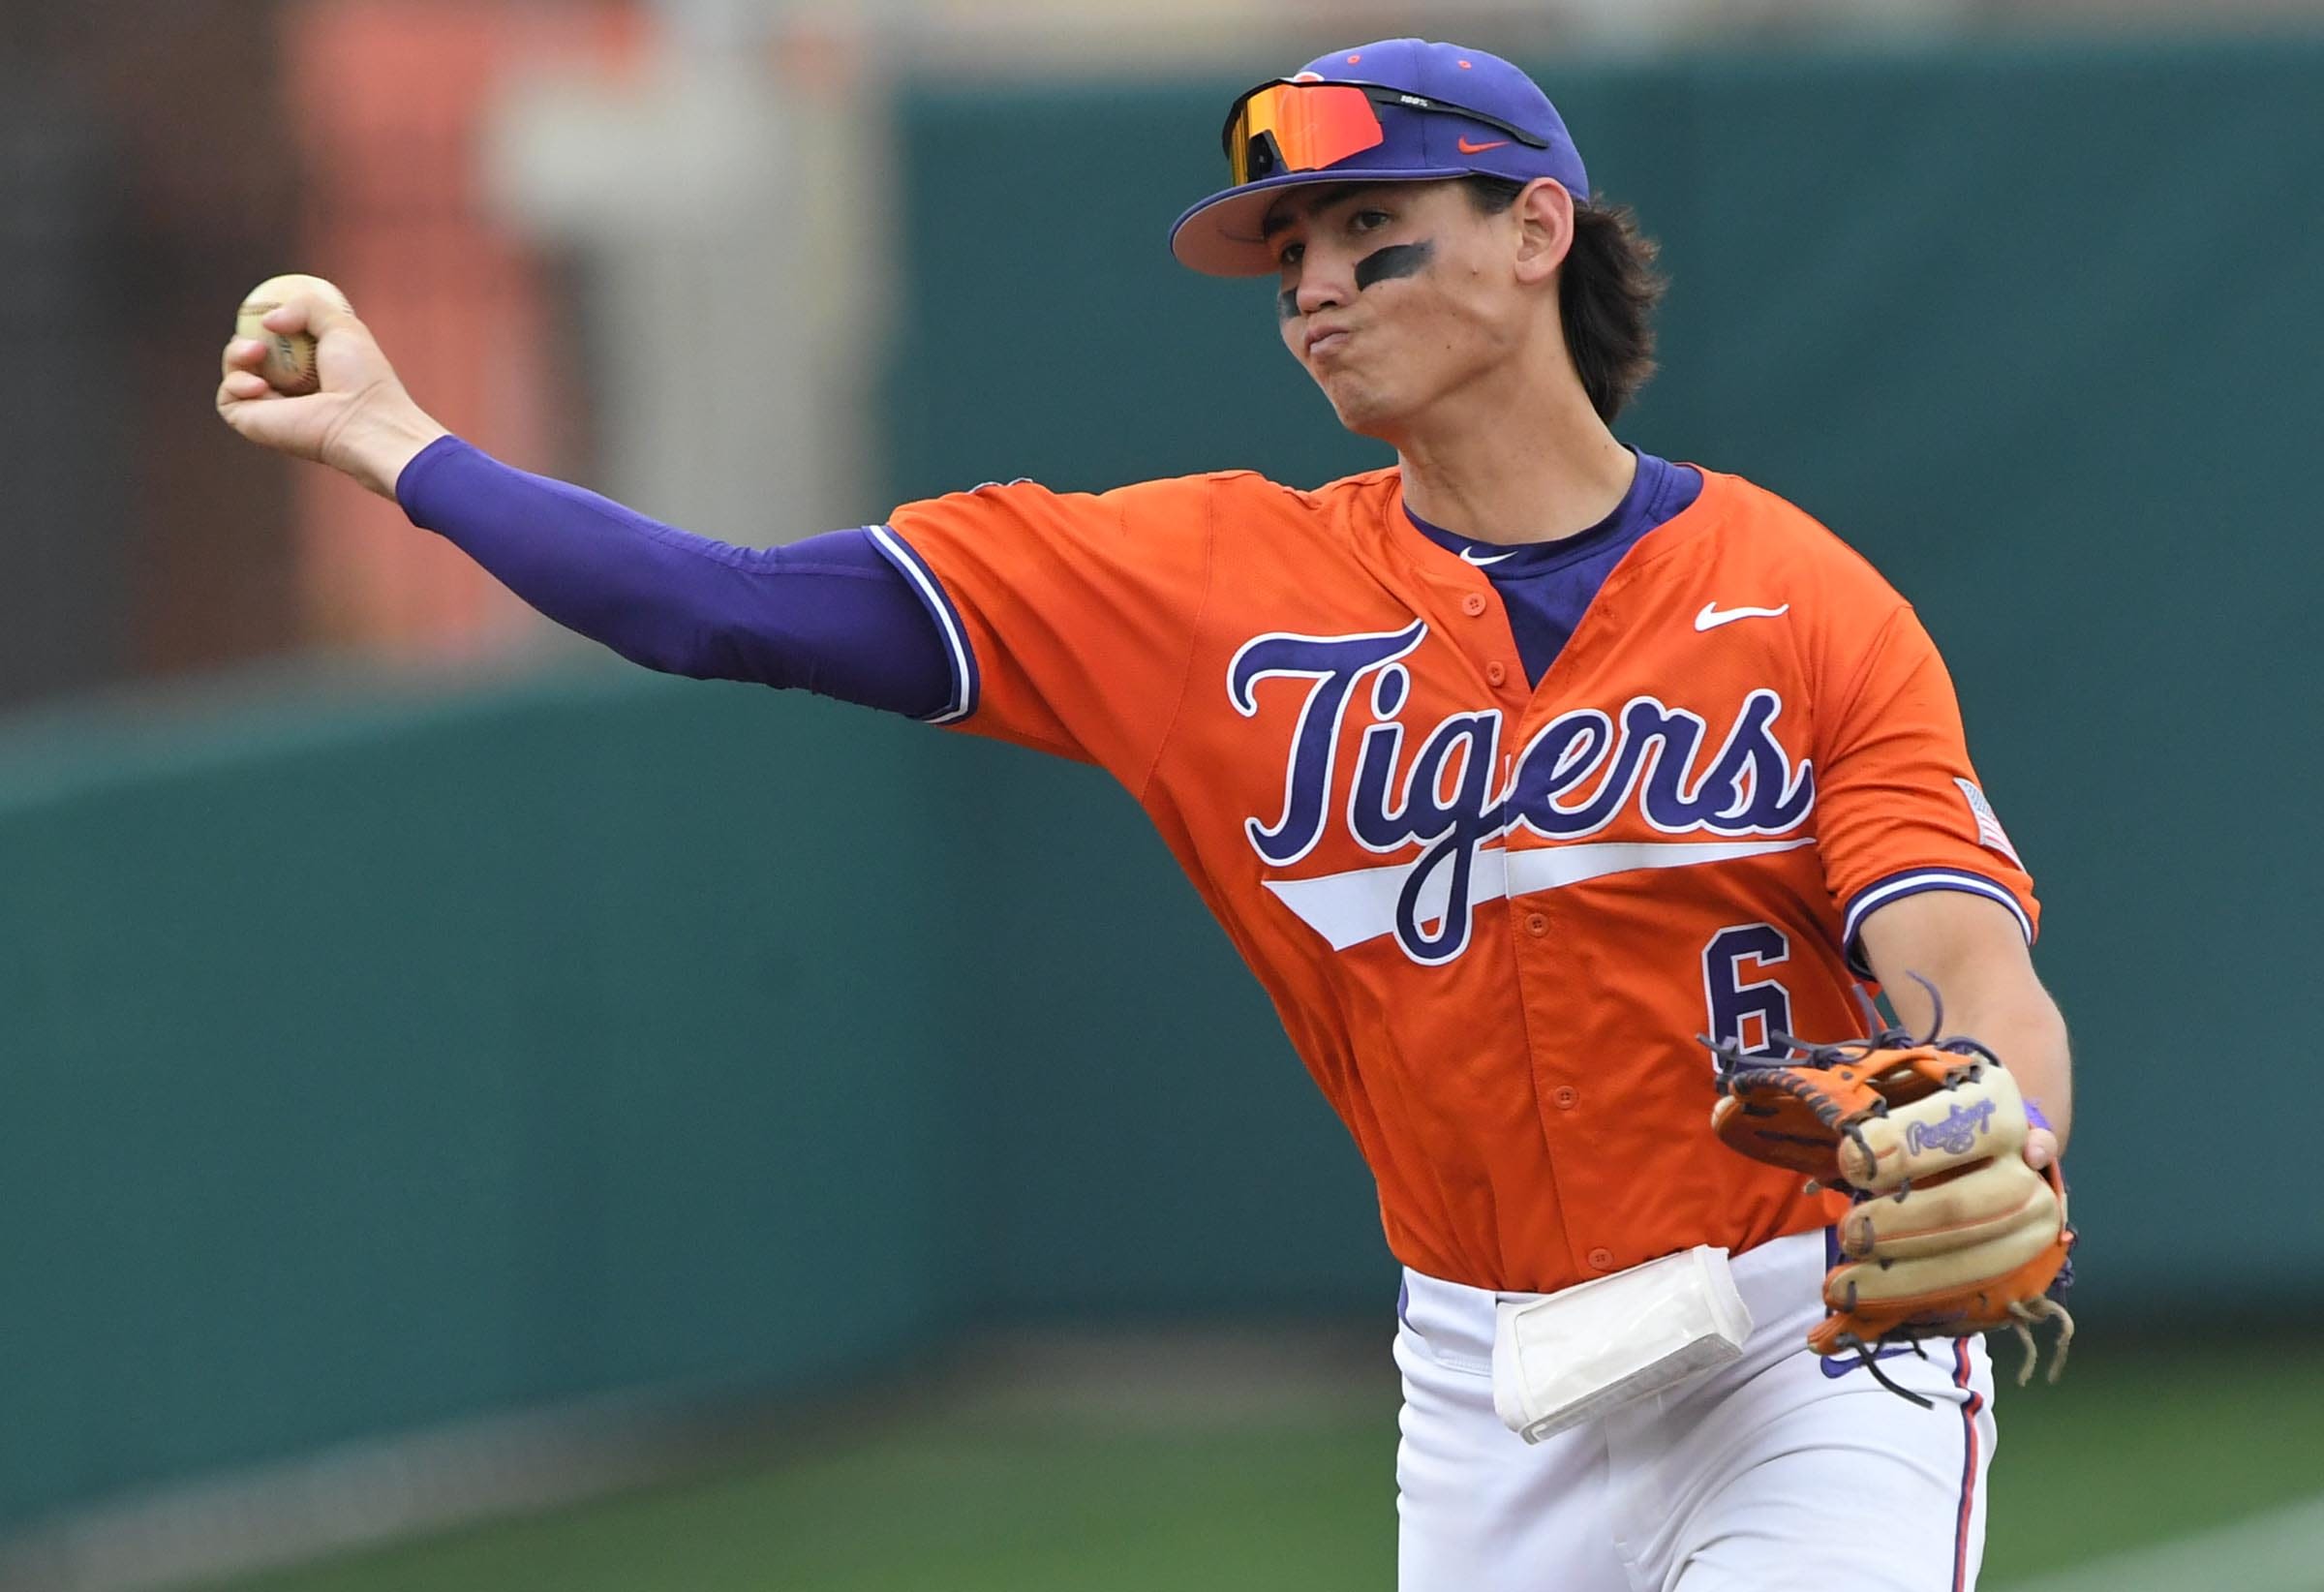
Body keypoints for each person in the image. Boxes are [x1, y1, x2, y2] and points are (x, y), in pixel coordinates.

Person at [218, 38, 2071, 1592]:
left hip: (1807, 1339)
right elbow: (728, 605)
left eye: (1373, 234)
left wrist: (2008, 1116)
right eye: (1292, 261)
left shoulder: (1798, 592)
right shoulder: (1202, 588)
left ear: (1534, 233)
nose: (1317, 288)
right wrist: (402, 445)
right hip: (1489, 1378)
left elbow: (1961, 956)